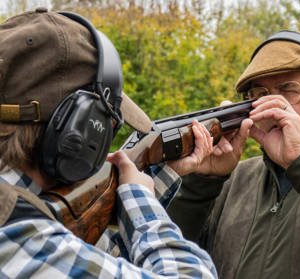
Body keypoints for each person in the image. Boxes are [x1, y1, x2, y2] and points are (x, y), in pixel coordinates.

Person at [0, 8, 218, 279]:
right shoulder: (17, 236)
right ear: (81, 132)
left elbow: (99, 258)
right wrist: (142, 200)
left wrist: (163, 171)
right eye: (108, 127)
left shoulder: (20, 219)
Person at [167, 30, 300, 278]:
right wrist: (202, 182)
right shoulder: (235, 179)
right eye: (260, 95)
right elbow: (166, 262)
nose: (273, 105)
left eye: (288, 88)